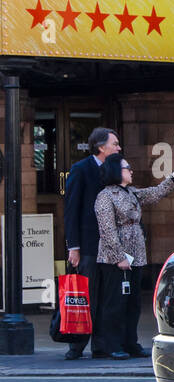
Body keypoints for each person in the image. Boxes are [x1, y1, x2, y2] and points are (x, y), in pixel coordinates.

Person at [93, 153, 174, 359]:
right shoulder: (105, 196)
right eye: (126, 167)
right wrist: (118, 256)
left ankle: (130, 342)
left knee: (133, 302)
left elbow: (156, 193)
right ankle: (110, 344)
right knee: (114, 302)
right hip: (114, 259)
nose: (131, 171)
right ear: (115, 171)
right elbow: (107, 230)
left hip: (136, 254)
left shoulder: (131, 192)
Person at [61, 127, 120, 360]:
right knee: (86, 297)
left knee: (106, 297)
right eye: (114, 144)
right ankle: (76, 346)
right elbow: (71, 209)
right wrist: (73, 246)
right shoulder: (81, 169)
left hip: (110, 246)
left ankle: (101, 346)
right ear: (101, 147)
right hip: (87, 245)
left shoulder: (115, 169)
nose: (118, 147)